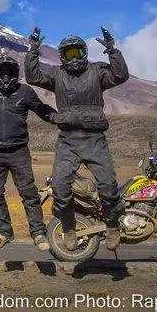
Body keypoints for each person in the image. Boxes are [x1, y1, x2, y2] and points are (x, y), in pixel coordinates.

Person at [25, 26, 129, 251]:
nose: (74, 58)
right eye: (69, 54)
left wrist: (113, 50)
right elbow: (32, 76)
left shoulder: (97, 71)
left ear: (85, 52)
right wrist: (33, 50)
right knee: (60, 188)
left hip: (95, 139)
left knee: (108, 187)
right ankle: (69, 226)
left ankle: (112, 225)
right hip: (68, 140)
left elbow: (120, 75)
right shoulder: (55, 74)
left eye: (78, 53)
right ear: (62, 56)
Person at [0, 53, 56, 252]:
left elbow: (41, 109)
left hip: (19, 151)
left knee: (28, 193)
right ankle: (3, 231)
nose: (5, 77)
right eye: (1, 72)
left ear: (15, 73)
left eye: (9, 72)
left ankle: (38, 232)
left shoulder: (24, 91)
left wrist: (59, 118)